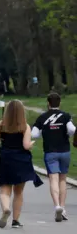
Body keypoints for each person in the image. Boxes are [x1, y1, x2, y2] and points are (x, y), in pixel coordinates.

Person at [0, 100, 43, 229]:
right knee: (18, 192)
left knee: (4, 189)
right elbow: (26, 145)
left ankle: (6, 209)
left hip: (6, 159)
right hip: (21, 161)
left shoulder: (1, 124)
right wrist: (31, 144)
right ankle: (15, 220)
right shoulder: (25, 126)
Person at [31, 93, 75, 222]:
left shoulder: (42, 117)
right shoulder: (66, 116)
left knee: (53, 179)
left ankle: (56, 206)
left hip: (50, 151)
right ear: (59, 103)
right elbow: (72, 130)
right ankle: (63, 207)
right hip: (65, 151)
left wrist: (45, 131)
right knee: (63, 179)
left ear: (48, 103)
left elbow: (34, 134)